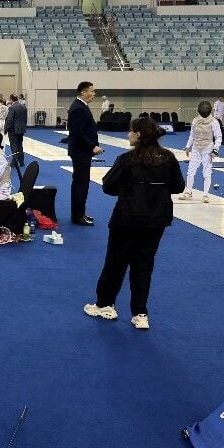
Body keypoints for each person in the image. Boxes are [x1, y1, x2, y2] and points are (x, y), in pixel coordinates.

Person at [84, 117, 185, 330]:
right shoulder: (168, 158)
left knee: (115, 263)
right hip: (156, 221)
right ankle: (140, 313)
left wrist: (128, 189)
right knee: (144, 266)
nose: (127, 135)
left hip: (127, 219)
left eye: (130, 131)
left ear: (138, 135)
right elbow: (178, 187)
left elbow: (108, 187)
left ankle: (105, 305)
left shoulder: (127, 159)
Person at [67, 81, 103, 226]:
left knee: (80, 184)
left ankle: (78, 213)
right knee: (81, 185)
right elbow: (77, 133)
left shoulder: (81, 106)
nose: (94, 94)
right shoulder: (79, 108)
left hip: (81, 151)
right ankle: (78, 216)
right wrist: (92, 146)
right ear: (83, 92)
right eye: (92, 91)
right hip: (81, 152)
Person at [179, 101, 221, 203]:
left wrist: (215, 150)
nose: (204, 110)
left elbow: (218, 137)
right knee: (191, 170)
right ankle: (188, 191)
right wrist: (188, 146)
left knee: (206, 172)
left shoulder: (214, 122)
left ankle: (206, 194)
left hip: (208, 148)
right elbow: (192, 135)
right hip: (196, 147)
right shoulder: (195, 120)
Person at [4, 94, 28, 169]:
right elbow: (25, 119)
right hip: (22, 128)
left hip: (13, 129)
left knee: (14, 145)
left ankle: (14, 161)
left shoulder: (12, 108)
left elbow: (10, 120)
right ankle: (21, 162)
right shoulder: (24, 107)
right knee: (20, 145)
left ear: (11, 99)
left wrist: (6, 129)